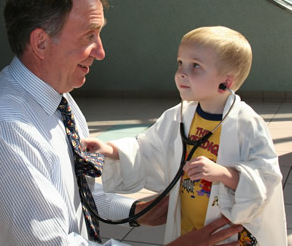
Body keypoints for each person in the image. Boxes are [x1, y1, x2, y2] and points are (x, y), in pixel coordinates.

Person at [0, 0, 242, 245]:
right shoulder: (4, 129)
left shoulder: (57, 100)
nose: (100, 52)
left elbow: (80, 194)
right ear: (40, 43)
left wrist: (138, 210)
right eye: (90, 35)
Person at [83, 26, 287, 245]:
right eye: (180, 63)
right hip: (189, 225)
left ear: (225, 83)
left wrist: (225, 174)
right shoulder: (179, 116)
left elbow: (266, 176)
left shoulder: (247, 123)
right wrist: (111, 150)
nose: (182, 72)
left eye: (196, 66)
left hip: (228, 229)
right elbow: (147, 148)